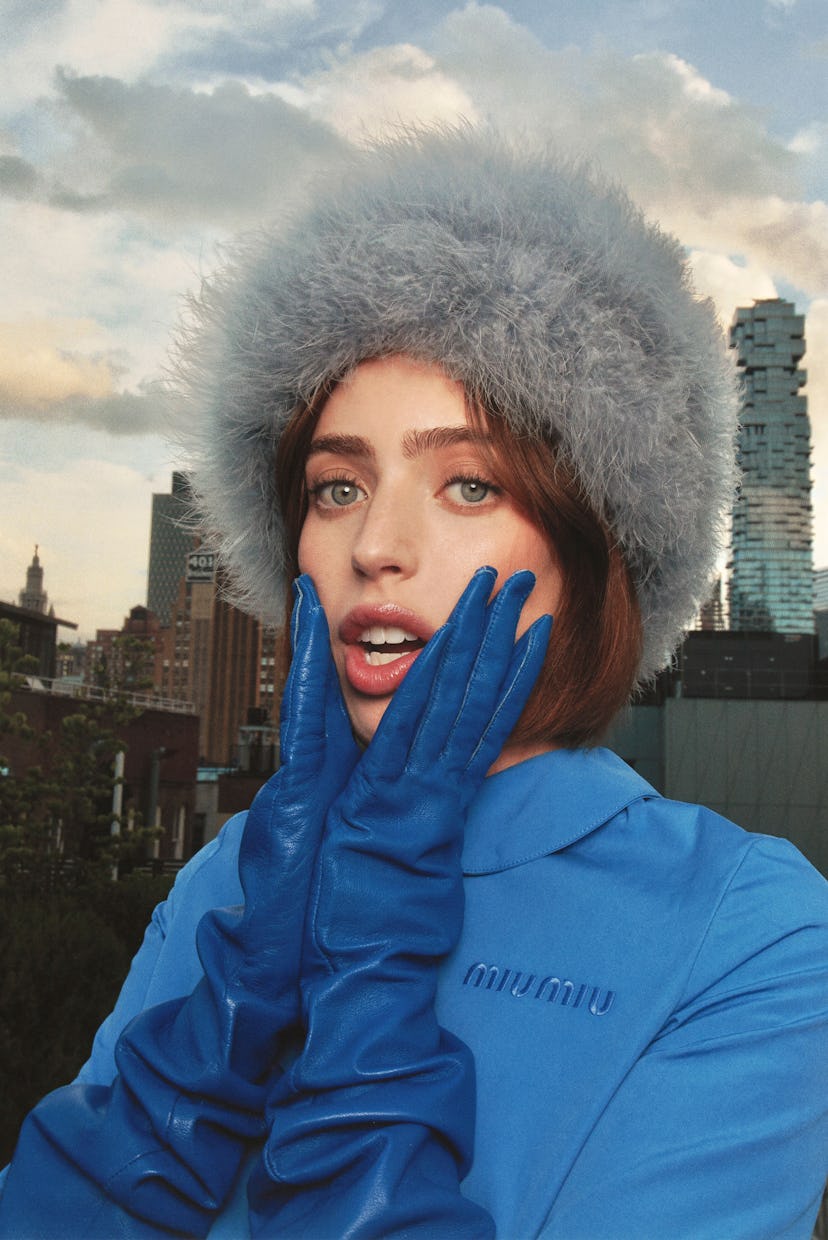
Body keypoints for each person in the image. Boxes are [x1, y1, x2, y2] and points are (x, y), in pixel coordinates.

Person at [1, 126, 826, 1238]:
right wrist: (202, 1059)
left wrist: (376, 967)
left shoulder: (757, 934)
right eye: (336, 486)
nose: (375, 545)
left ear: (592, 551)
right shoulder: (229, 885)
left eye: (470, 484)